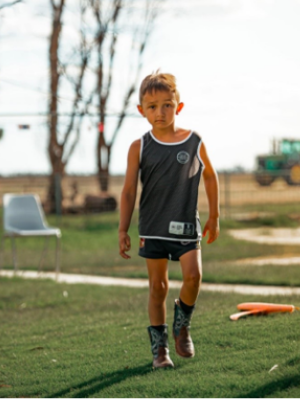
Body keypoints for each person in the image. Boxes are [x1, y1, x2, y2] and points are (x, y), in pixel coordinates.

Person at [118, 71, 220, 369]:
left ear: (179, 106)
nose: (159, 112)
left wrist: (214, 215)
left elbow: (210, 177)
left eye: (166, 105)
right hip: (152, 227)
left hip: (187, 224)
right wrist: (123, 228)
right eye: (152, 106)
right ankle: (159, 350)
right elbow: (127, 192)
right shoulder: (139, 147)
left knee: (193, 277)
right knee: (158, 286)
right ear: (141, 111)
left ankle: (182, 323)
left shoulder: (194, 141)